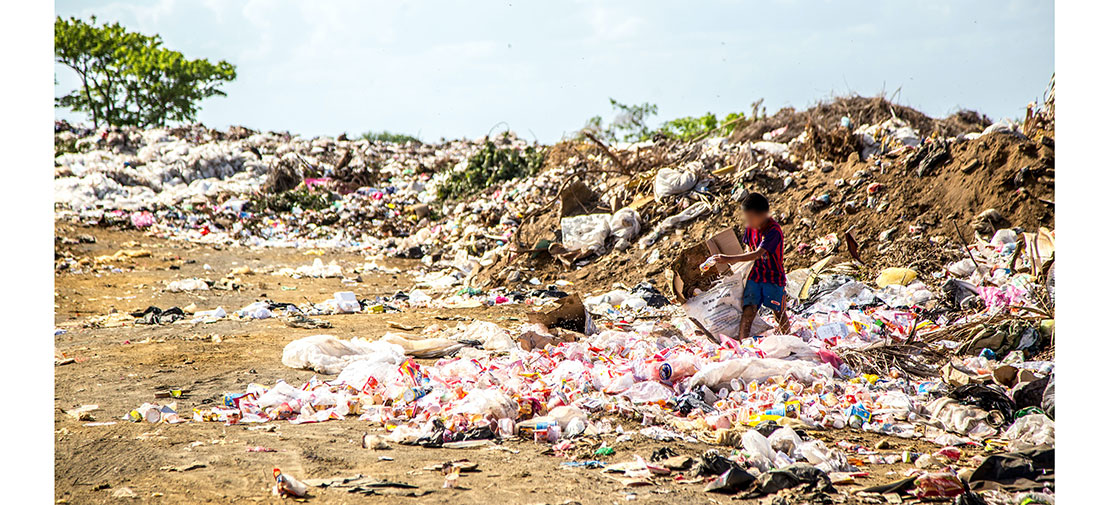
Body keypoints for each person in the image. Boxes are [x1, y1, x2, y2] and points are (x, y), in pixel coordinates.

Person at [704, 192, 789, 339]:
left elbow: (757, 254)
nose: (747, 220)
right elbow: (748, 250)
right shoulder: (751, 228)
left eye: (750, 217)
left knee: (778, 312)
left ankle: (789, 339)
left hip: (773, 277)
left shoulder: (773, 231)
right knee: (748, 311)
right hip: (755, 276)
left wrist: (727, 258)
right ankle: (744, 345)